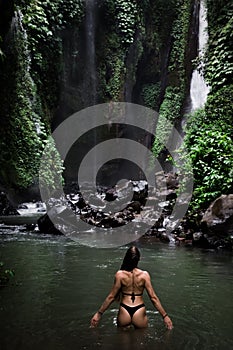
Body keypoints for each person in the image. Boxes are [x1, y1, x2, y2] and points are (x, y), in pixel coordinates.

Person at [90, 246, 173, 330]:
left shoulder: (120, 275)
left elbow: (111, 297)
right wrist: (165, 316)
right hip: (139, 309)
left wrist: (98, 314)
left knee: (123, 342)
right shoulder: (144, 275)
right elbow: (153, 298)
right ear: (139, 259)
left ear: (126, 258)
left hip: (124, 309)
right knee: (140, 341)